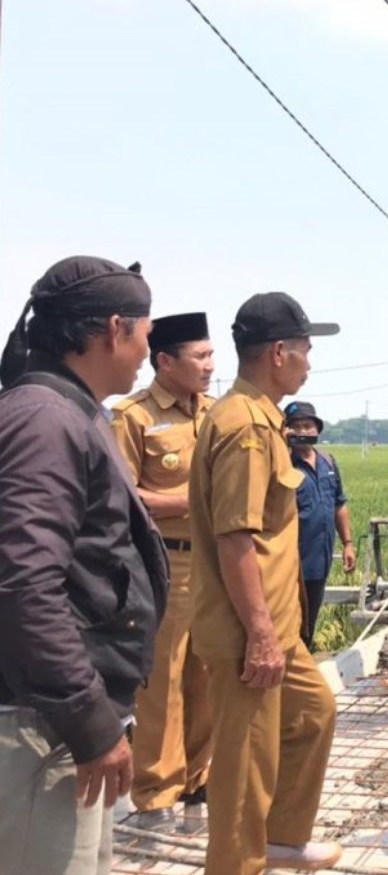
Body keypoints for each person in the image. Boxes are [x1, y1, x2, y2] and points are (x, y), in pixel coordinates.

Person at [0, 257, 168, 875]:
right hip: (41, 726)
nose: (147, 354)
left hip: (61, 717)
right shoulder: (45, 418)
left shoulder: (69, 409)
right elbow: (23, 583)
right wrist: (89, 721)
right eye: (146, 337)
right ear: (114, 329)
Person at [188, 292, 342, 874]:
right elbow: (236, 539)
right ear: (278, 352)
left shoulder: (260, 418)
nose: (308, 361)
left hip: (278, 624)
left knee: (312, 711)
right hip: (248, 629)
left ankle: (278, 838)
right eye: (303, 349)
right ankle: (237, 863)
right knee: (244, 764)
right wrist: (258, 635)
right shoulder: (246, 428)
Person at [112, 312, 216, 830]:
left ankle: (198, 785)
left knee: (210, 676)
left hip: (217, 564)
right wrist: (196, 501)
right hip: (168, 563)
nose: (210, 367)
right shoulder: (133, 417)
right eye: (200, 357)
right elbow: (124, 499)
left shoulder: (217, 414)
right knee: (162, 682)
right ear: (165, 361)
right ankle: (154, 795)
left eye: (212, 355)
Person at [284, 401, 356, 649]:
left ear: (317, 430)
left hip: (319, 559)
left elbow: (339, 504)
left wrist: (347, 543)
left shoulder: (328, 462)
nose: (303, 432)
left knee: (308, 623)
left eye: (308, 426)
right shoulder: (282, 464)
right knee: (286, 625)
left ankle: (303, 666)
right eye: (295, 427)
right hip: (289, 561)